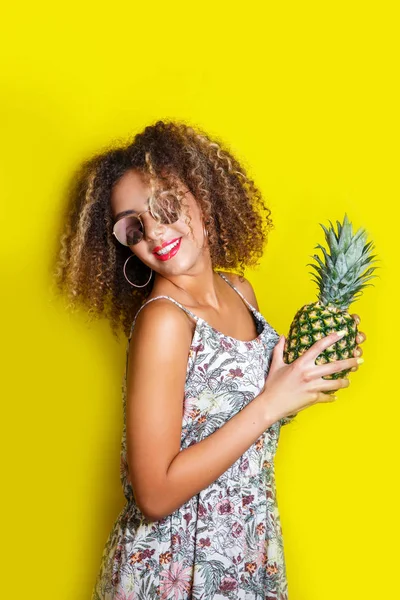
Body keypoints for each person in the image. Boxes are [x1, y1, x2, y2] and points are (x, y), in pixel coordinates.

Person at [54, 120, 366, 599]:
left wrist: (309, 377)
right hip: (176, 567)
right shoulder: (164, 322)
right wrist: (270, 404)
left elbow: (249, 423)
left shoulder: (240, 293)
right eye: (134, 226)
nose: (155, 232)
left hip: (246, 551)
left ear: (202, 195)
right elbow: (154, 495)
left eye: (166, 205)